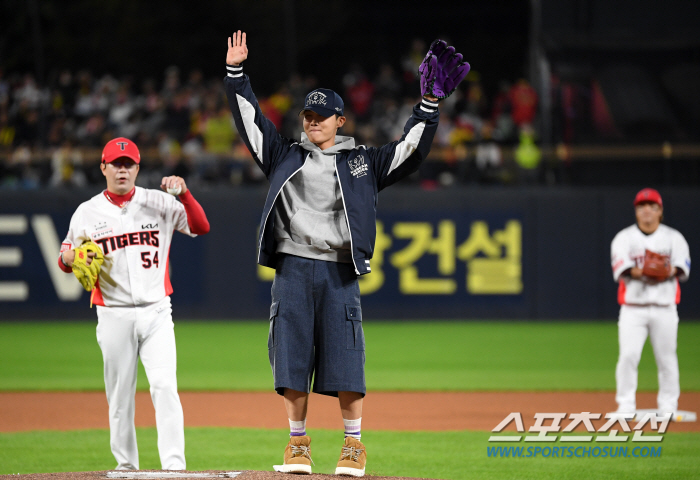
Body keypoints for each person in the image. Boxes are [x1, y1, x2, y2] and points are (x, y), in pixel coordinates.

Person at [224, 31, 457, 476]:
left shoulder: (363, 163)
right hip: (292, 267)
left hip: (339, 271)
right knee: (290, 359)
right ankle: (298, 444)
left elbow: (410, 151)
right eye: (308, 115)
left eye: (322, 116)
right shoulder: (284, 155)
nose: (313, 122)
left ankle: (353, 445)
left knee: (347, 359)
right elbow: (250, 123)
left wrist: (427, 104)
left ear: (340, 120)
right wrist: (236, 75)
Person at [58, 137, 210, 470]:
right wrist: (68, 257)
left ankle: (174, 467)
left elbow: (201, 226)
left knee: (164, 386)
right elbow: (65, 256)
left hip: (157, 311)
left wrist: (184, 194)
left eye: (129, 164)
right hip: (113, 314)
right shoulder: (86, 212)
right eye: (116, 164)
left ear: (138, 168)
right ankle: (126, 467)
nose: (122, 170)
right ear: (104, 168)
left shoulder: (160, 202)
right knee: (119, 399)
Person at [610, 188, 690, 417]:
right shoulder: (623, 238)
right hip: (633, 309)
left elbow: (683, 269)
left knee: (667, 359)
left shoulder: (674, 238)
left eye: (652, 206)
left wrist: (667, 270)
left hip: (665, 309)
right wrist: (652, 270)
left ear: (660, 211)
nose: (646, 211)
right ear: (636, 212)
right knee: (627, 357)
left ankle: (668, 407)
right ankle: (625, 406)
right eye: (641, 207)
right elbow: (623, 269)